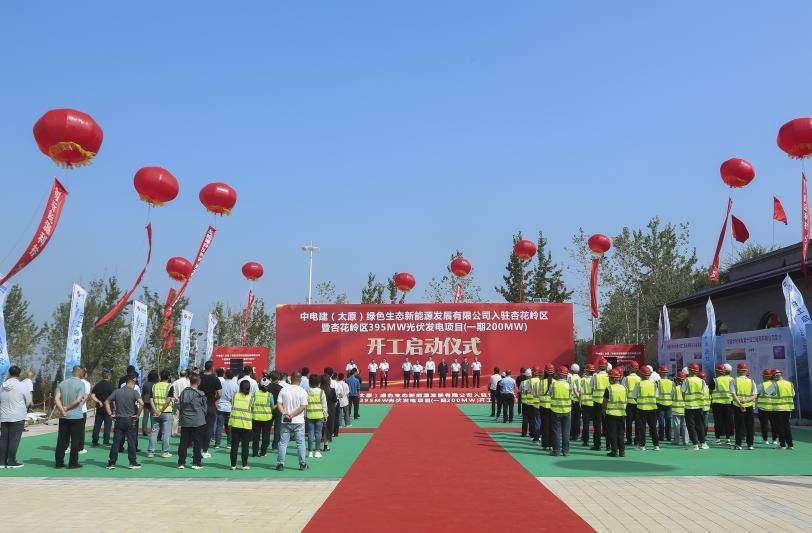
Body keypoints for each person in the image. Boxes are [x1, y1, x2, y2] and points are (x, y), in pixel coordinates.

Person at [104, 373, 144, 470]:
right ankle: (132, 462)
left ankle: (111, 463)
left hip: (119, 419)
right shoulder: (134, 392)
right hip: (130, 419)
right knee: (131, 441)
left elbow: (106, 401)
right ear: (133, 381)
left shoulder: (117, 391)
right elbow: (142, 403)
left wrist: (110, 414)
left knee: (116, 442)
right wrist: (137, 415)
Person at [54, 365, 88, 469]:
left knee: (62, 440)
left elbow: (56, 398)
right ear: (80, 372)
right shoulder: (81, 384)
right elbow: (78, 400)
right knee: (75, 441)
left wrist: (62, 410)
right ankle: (73, 463)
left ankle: (59, 462)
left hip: (64, 417)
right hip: (77, 416)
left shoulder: (62, 383)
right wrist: (68, 408)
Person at [0, 365, 32, 468]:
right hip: (18, 416)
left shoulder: (2, 386)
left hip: (4, 416)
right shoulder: (22, 386)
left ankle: (1, 461)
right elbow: (29, 401)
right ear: (19, 374)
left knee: (4, 439)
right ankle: (11, 461)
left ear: (9, 373)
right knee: (14, 439)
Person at [276, 372, 309, 471]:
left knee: (283, 443)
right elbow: (303, 406)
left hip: (286, 420)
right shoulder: (302, 391)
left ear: (291, 379)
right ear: (300, 380)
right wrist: (293, 415)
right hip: (298, 421)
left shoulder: (283, 390)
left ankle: (280, 464)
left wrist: (284, 414)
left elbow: (279, 403)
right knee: (300, 443)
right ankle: (302, 464)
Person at [178, 373, 208, 470]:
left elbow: (181, 406)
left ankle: (181, 462)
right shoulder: (200, 394)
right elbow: (205, 409)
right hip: (198, 421)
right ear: (198, 382)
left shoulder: (183, 393)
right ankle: (196, 462)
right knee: (197, 442)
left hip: (185, 421)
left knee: (183, 442)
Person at [630, 366, 659, 451]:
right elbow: (656, 396)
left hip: (641, 408)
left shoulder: (639, 384)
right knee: (653, 427)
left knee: (642, 428)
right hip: (652, 408)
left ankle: (642, 446)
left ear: (641, 374)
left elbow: (634, 397)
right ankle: (656, 445)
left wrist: (640, 401)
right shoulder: (654, 384)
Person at [148, 370, 174, 458]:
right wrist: (161, 410)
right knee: (166, 433)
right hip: (166, 412)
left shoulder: (154, 385)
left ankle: (151, 452)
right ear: (168, 377)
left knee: (154, 431)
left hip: (156, 412)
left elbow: (151, 400)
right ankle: (165, 452)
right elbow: (168, 401)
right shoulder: (170, 386)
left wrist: (155, 410)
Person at [731, 363, 757, 451]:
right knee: (750, 426)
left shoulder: (734, 381)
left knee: (739, 425)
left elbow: (733, 394)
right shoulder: (752, 381)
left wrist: (740, 404)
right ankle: (750, 444)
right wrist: (746, 401)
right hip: (749, 406)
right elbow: (754, 395)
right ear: (746, 371)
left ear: (738, 371)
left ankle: (738, 444)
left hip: (738, 406)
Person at [228, 379, 254, 470]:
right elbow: (253, 408)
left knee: (234, 446)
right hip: (246, 424)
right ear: (249, 388)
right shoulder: (251, 397)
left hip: (235, 423)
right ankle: (244, 465)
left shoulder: (235, 395)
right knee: (245, 446)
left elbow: (232, 404)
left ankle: (233, 465)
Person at [682, 363, 709, 450]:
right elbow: (704, 393)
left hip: (689, 406)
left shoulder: (686, 380)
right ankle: (703, 443)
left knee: (691, 426)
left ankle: (695, 444)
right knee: (700, 425)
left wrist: (686, 400)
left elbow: (683, 392)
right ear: (697, 371)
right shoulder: (702, 381)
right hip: (699, 406)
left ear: (690, 370)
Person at [767, 369, 795, 449]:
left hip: (778, 408)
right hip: (788, 408)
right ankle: (790, 445)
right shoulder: (789, 384)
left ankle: (782, 445)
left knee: (780, 427)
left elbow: (767, 393)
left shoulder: (774, 385)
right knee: (787, 426)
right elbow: (793, 394)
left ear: (774, 376)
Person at [199, 361, 222, 458]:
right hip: (210, 405)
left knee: (199, 428)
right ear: (212, 368)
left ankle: (197, 450)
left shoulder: (199, 377)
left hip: (199, 406)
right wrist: (214, 399)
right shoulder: (215, 378)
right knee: (208, 429)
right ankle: (205, 450)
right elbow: (220, 393)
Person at [602, 368, 627, 457]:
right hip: (622, 414)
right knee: (620, 434)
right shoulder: (624, 388)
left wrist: (603, 411)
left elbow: (605, 402)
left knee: (612, 434)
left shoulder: (609, 388)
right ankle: (622, 451)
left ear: (613, 379)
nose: (609, 379)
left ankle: (614, 451)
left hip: (611, 414)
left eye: (610, 378)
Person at [549, 366, 572, 456]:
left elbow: (550, 394)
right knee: (566, 432)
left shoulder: (553, 384)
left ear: (558, 374)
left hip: (555, 410)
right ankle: (565, 451)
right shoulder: (569, 385)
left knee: (556, 431)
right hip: (567, 411)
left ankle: (556, 451)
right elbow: (571, 395)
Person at [710, 364, 734, 446]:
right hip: (729, 403)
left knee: (718, 421)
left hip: (717, 404)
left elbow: (710, 390)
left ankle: (718, 439)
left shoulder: (715, 380)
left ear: (717, 371)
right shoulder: (731, 380)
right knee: (728, 421)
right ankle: (728, 439)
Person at [305, 374, 328, 458]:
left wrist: (305, 415)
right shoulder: (321, 392)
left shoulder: (307, 391)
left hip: (310, 415)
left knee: (310, 434)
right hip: (319, 415)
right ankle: (317, 451)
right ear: (319, 383)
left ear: (309, 382)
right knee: (318, 434)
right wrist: (326, 415)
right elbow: (324, 405)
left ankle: (310, 452)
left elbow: (304, 404)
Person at [90, 369, 115, 447]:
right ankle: (106, 441)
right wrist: (115, 408)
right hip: (108, 408)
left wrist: (98, 401)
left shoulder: (97, 385)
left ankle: (95, 441)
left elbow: (92, 395)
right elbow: (113, 398)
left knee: (97, 424)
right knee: (108, 425)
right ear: (109, 376)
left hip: (99, 407)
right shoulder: (110, 385)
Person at [589, 360, 610, 451]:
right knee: (608, 424)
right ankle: (608, 445)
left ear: (599, 366)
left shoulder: (595, 376)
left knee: (597, 425)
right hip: (607, 402)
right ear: (606, 366)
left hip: (597, 403)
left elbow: (591, 389)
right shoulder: (610, 376)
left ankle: (597, 445)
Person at [215, 369, 238, 449]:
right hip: (230, 407)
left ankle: (217, 444)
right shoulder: (235, 385)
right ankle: (229, 444)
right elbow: (236, 397)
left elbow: (217, 394)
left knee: (219, 426)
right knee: (229, 427)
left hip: (221, 406)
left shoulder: (221, 383)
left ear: (225, 375)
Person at [251, 377, 274, 457]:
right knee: (266, 436)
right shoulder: (269, 395)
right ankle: (263, 452)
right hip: (267, 418)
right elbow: (272, 406)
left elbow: (252, 405)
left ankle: (254, 452)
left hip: (256, 418)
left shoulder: (255, 394)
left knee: (255, 436)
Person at [621, 361, 641, 446]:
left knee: (628, 423)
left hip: (629, 403)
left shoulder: (626, 378)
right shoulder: (640, 378)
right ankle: (637, 440)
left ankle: (629, 440)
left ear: (630, 368)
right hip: (637, 403)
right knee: (637, 422)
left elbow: (623, 389)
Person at [756, 369, 776, 445]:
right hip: (773, 408)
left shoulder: (761, 385)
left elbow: (756, 396)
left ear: (764, 376)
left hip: (762, 408)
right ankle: (774, 440)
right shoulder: (775, 385)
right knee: (774, 424)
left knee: (764, 425)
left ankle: (765, 440)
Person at [539, 365, 555, 450]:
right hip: (553, 407)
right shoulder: (556, 382)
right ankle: (551, 445)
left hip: (543, 406)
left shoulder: (541, 382)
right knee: (553, 426)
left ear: (545, 371)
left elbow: (535, 394)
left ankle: (545, 445)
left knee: (545, 426)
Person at [656, 365, 673, 441]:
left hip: (660, 403)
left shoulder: (658, 382)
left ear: (660, 373)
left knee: (661, 421)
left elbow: (655, 393)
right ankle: (669, 436)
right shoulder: (671, 382)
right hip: (669, 403)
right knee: (668, 420)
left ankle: (661, 437)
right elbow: (673, 393)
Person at [671, 371, 688, 446]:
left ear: (677, 379)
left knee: (676, 426)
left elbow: (671, 397)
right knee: (685, 426)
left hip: (676, 410)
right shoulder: (687, 388)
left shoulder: (675, 388)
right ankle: (686, 441)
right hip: (685, 409)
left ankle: (676, 441)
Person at [171, 370, 190, 436]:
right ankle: (184, 432)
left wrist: (176, 398)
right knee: (185, 417)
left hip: (177, 401)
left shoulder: (175, 382)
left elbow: (172, 392)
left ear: (180, 374)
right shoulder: (188, 382)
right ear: (186, 374)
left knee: (175, 418)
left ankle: (173, 432)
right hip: (185, 402)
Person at [580, 364, 595, 446]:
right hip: (594, 403)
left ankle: (585, 440)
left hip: (585, 403)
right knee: (596, 423)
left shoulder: (583, 380)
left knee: (585, 423)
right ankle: (596, 441)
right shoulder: (595, 380)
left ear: (587, 371)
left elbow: (581, 392)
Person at [321, 372, 337, 451]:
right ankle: (325, 445)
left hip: (319, 410)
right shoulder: (332, 390)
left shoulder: (319, 390)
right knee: (328, 428)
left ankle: (317, 446)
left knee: (319, 428)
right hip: (330, 410)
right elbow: (335, 400)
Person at [525, 368, 542, 442]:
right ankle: (539, 435)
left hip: (530, 403)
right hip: (538, 403)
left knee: (531, 420)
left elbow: (525, 391)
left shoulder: (529, 381)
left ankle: (533, 435)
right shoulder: (540, 381)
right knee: (538, 420)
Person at [140, 370, 157, 440]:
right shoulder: (155, 384)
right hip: (153, 401)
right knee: (153, 417)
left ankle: (144, 430)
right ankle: (153, 431)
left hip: (145, 401)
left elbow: (143, 393)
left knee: (145, 417)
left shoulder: (145, 384)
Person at [269, 372, 285, 447]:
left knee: (267, 427)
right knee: (277, 427)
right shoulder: (281, 388)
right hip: (278, 408)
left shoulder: (267, 387)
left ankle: (265, 443)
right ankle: (275, 444)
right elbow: (283, 400)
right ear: (278, 379)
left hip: (268, 409)